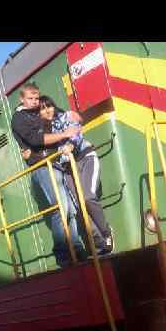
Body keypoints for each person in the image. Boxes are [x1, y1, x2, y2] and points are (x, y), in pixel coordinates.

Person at [10, 83, 86, 267]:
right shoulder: (19, 119)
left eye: (36, 98)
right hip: (42, 166)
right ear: (22, 99)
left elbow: (60, 117)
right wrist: (64, 134)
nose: (35, 102)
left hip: (56, 163)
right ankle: (62, 254)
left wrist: (72, 116)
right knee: (59, 208)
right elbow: (36, 140)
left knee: (70, 209)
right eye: (30, 98)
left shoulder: (38, 112)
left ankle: (77, 250)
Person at [35, 95, 113, 254]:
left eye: (49, 106)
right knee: (79, 207)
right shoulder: (43, 132)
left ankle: (107, 233)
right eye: (42, 109)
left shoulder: (67, 116)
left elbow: (76, 132)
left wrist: (71, 144)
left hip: (85, 158)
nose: (47, 110)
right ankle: (99, 244)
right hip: (68, 169)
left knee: (88, 197)